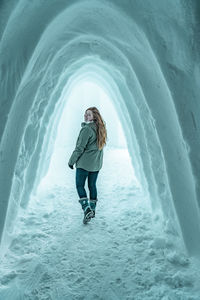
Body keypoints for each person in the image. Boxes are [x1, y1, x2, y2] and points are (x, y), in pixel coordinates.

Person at [68, 107, 107, 224]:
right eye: (85, 114)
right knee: (92, 185)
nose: (85, 116)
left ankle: (86, 209)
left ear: (94, 116)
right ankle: (92, 209)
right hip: (96, 165)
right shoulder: (101, 129)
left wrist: (71, 161)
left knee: (80, 185)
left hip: (84, 164)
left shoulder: (87, 130)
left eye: (88, 115)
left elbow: (80, 148)